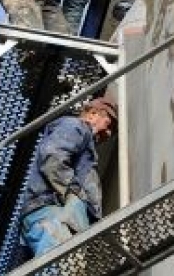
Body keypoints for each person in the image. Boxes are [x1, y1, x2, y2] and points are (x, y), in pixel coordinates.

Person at [19, 95, 118, 257]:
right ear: (92, 114)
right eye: (109, 124)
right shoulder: (76, 126)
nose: (108, 133)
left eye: (112, 131)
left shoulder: (84, 146)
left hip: (56, 216)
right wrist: (73, 194)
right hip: (53, 211)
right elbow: (53, 157)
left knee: (64, 263)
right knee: (57, 262)